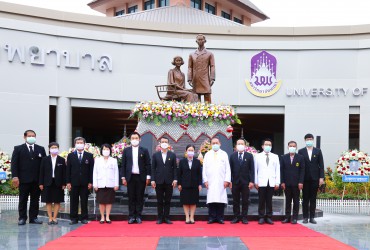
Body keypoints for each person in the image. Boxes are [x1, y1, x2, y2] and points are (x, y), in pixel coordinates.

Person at [11, 130, 46, 225]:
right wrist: (15, 176)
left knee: (35, 199)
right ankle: (22, 218)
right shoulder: (18, 149)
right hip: (23, 179)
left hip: (36, 179)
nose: (31, 137)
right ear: (24, 137)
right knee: (23, 199)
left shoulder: (41, 149)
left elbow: (44, 165)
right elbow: (14, 164)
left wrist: (43, 179)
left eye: (33, 136)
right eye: (29, 136)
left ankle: (33, 218)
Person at [121, 132, 151, 224]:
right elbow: (123, 165)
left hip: (141, 177)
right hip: (130, 177)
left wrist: (148, 177)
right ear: (130, 140)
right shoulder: (126, 150)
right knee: (131, 197)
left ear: (139, 139)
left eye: (136, 138)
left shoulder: (144, 150)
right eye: (133, 138)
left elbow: (148, 164)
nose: (134, 140)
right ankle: (131, 216)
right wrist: (123, 177)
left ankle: (138, 216)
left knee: (139, 197)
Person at [66, 137, 94, 225]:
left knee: (84, 201)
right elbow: (68, 170)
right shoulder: (70, 156)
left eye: (81, 142)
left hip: (85, 183)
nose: (79, 144)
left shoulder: (89, 155)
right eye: (78, 142)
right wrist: (68, 182)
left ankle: (84, 218)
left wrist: (90, 182)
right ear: (75, 144)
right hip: (73, 182)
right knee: (73, 201)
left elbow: (91, 170)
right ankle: (73, 218)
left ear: (84, 144)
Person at [203, 137, 231, 224]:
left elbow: (228, 168)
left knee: (220, 200)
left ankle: (220, 218)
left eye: (216, 143)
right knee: (211, 200)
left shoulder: (224, 154)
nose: (215, 144)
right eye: (213, 143)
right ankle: (211, 217)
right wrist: (205, 180)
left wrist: (227, 180)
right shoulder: (207, 154)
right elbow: (204, 169)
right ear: (211, 145)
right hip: (210, 181)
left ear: (220, 144)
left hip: (221, 180)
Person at [298, 134, 324, 224]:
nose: (309, 141)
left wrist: (321, 177)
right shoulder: (301, 151)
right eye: (308, 139)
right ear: (305, 140)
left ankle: (312, 217)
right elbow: (300, 166)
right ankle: (305, 217)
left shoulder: (318, 151)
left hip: (315, 178)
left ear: (313, 140)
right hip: (305, 178)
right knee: (305, 198)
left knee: (313, 198)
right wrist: (300, 180)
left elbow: (321, 165)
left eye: (311, 139)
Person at [151, 137, 177, 224]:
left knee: (168, 200)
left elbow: (175, 169)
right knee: (159, 200)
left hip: (169, 181)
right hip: (158, 181)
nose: (164, 143)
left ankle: (166, 217)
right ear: (160, 143)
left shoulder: (172, 155)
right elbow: (153, 168)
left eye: (166, 142)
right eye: (162, 142)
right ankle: (159, 218)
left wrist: (175, 179)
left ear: (168, 144)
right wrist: (153, 180)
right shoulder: (155, 155)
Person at [39, 142, 66, 225]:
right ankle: (50, 218)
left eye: (56, 147)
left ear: (58, 149)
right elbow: (41, 172)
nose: (54, 149)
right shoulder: (44, 159)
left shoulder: (61, 159)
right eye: (52, 147)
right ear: (49, 149)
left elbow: (64, 172)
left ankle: (55, 218)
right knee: (48, 201)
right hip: (47, 182)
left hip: (58, 183)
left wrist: (64, 183)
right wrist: (41, 183)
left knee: (57, 201)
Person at [254, 138, 280, 225]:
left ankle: (269, 217)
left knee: (269, 200)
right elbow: (255, 170)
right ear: (262, 146)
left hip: (271, 181)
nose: (268, 146)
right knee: (261, 200)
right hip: (261, 181)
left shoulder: (275, 156)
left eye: (269, 145)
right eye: (266, 145)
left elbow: (277, 170)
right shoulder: (257, 156)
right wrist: (256, 182)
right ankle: (261, 217)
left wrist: (277, 182)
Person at [229, 139, 254, 224]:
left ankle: (244, 217)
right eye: (238, 143)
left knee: (245, 200)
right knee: (235, 200)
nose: (240, 145)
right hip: (235, 182)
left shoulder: (249, 156)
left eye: (242, 144)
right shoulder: (232, 156)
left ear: (245, 145)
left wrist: (251, 181)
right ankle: (236, 216)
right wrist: (230, 181)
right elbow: (230, 170)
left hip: (245, 182)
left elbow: (252, 170)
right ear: (236, 146)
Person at [280, 141, 305, 224]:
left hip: (296, 184)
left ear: (296, 147)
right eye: (290, 146)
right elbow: (281, 171)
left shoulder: (300, 157)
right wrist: (282, 182)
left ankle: (294, 218)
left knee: (296, 201)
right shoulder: (283, 157)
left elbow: (302, 171)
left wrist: (301, 182)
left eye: (294, 146)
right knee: (288, 201)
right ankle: (287, 217)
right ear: (288, 147)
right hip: (287, 184)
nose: (292, 147)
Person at [93, 144, 119, 224]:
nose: (106, 151)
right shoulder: (97, 160)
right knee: (101, 201)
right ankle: (102, 217)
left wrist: (116, 184)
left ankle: (107, 217)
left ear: (110, 150)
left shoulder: (113, 160)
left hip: (110, 183)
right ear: (101, 150)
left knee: (108, 201)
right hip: (100, 183)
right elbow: (95, 173)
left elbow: (116, 173)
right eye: (104, 149)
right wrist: (95, 184)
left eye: (107, 149)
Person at [177, 145, 202, 224]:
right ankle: (187, 217)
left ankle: (192, 217)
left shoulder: (197, 162)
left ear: (194, 151)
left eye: (192, 150)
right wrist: (179, 184)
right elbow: (179, 174)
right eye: (189, 150)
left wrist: (200, 184)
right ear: (186, 151)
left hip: (194, 184)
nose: (190, 151)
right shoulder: (182, 161)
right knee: (185, 201)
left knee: (193, 201)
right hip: (184, 184)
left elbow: (199, 174)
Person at [188, 34, 215, 103]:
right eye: (198, 40)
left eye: (201, 39)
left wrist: (212, 78)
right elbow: (190, 67)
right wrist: (189, 79)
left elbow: (212, 66)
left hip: (205, 78)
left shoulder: (210, 53)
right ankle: (198, 113)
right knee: (196, 98)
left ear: (205, 41)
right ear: (196, 41)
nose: (200, 41)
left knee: (207, 95)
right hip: (196, 78)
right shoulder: (192, 54)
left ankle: (209, 112)